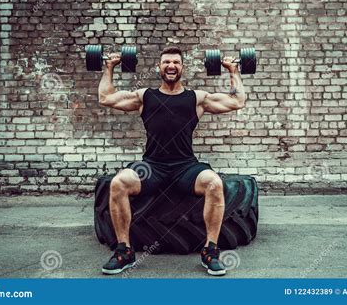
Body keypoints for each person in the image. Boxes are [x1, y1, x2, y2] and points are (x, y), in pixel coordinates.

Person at [98, 46, 245, 276]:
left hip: (185, 166)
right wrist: (109, 67)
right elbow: (106, 97)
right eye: (166, 62)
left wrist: (233, 70)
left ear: (182, 68)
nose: (171, 66)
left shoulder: (196, 98)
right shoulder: (144, 96)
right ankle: (124, 250)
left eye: (176, 62)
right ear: (159, 67)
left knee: (214, 183)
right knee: (118, 183)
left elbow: (237, 102)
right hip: (152, 166)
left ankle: (210, 251)